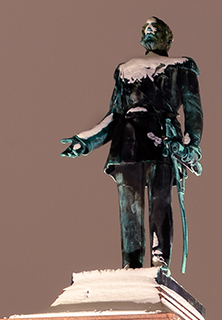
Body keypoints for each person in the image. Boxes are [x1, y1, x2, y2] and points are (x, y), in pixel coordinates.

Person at [61, 18, 202, 269]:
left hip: (163, 141)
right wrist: (85, 141)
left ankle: (160, 261)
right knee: (129, 209)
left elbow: (193, 111)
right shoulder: (125, 70)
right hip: (127, 142)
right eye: (146, 28)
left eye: (155, 29)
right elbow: (115, 115)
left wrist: (191, 146)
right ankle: (131, 264)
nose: (149, 30)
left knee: (161, 204)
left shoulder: (182, 66)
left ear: (167, 39)